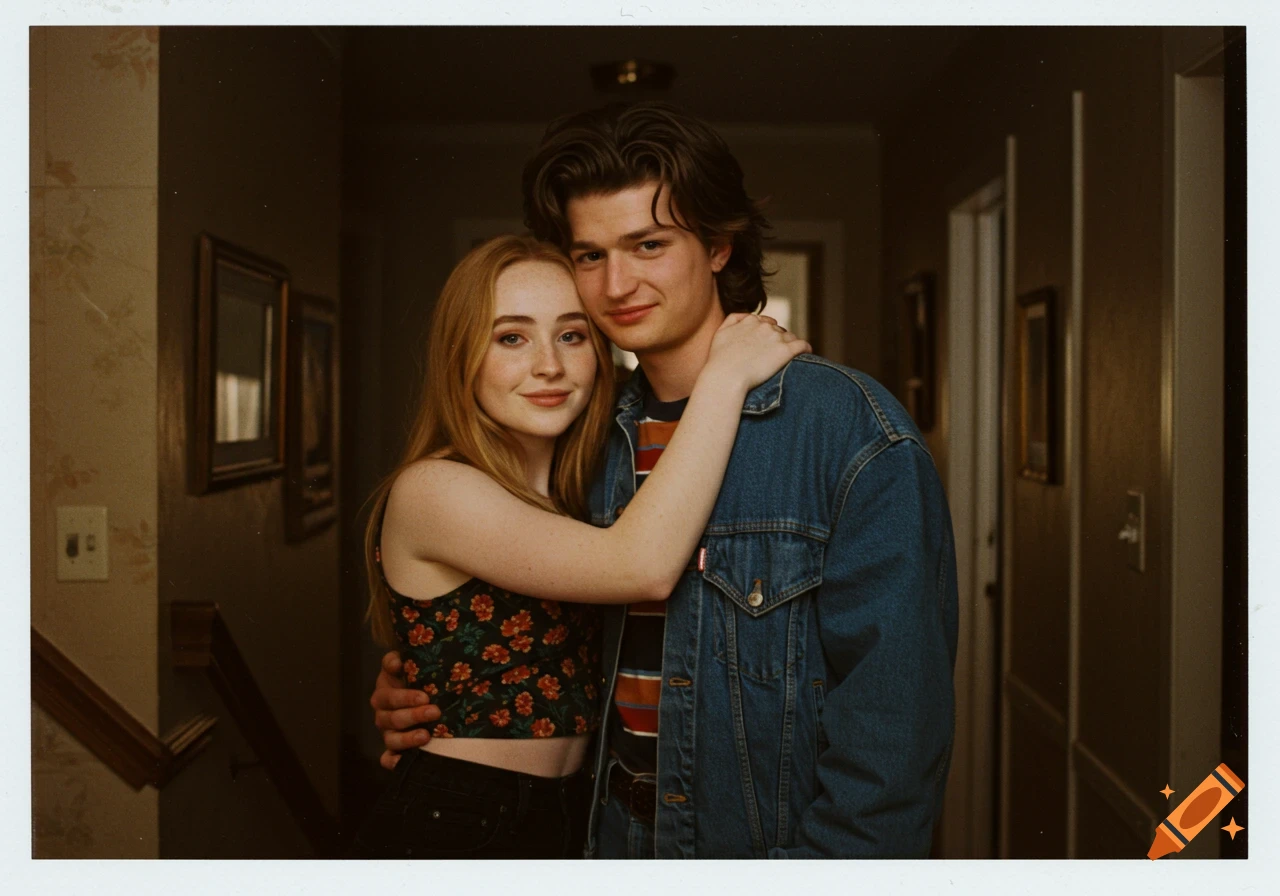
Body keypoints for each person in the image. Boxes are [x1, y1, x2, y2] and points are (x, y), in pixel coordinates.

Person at [371, 102, 959, 858]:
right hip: (599, 837)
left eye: (647, 244)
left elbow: (894, 732)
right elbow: (521, 632)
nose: (617, 284)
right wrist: (423, 688)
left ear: (718, 245)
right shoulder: (581, 436)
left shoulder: (845, 431)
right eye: (590, 255)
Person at [352, 233, 808, 859]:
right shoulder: (434, 488)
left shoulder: (591, 485)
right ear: (461, 355)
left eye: (571, 335)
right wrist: (725, 376)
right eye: (511, 337)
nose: (549, 365)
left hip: (575, 813)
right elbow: (641, 568)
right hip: (462, 814)